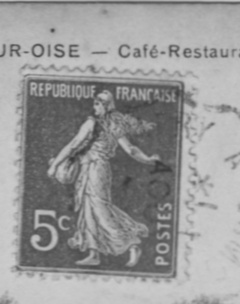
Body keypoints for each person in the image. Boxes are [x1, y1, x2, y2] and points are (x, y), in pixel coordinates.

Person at [46, 89, 161, 268]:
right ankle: (94, 253)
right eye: (95, 103)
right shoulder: (114, 126)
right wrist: (147, 159)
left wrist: (54, 166)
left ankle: (132, 245)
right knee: (89, 209)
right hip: (95, 169)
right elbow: (131, 149)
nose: (95, 107)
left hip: (94, 168)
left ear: (106, 106)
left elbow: (73, 145)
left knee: (99, 209)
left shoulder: (92, 124)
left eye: (98, 104)